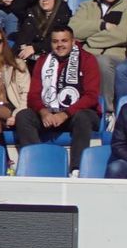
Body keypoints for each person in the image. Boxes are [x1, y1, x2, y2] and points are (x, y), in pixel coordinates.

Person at [15, 23, 100, 170]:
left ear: (73, 42)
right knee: (24, 116)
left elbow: (91, 96)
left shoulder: (87, 59)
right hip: (50, 111)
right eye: (55, 42)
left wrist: (65, 113)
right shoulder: (43, 61)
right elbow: (34, 95)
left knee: (83, 117)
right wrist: (43, 112)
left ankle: (77, 168)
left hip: (77, 113)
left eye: (64, 41)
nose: (59, 45)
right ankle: (36, 164)